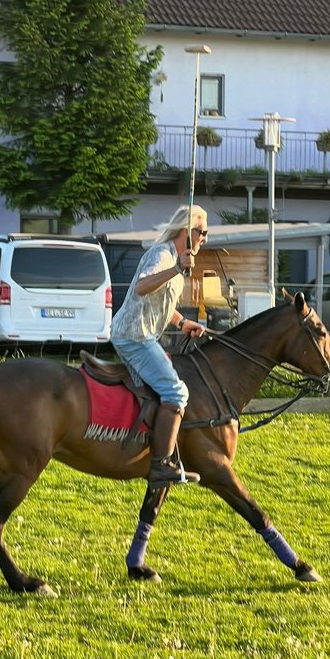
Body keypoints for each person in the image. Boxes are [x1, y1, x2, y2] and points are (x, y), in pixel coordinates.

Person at [110, 204, 209, 488]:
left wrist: (182, 323)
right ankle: (162, 464)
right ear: (185, 231)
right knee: (177, 392)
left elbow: (162, 303)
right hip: (134, 336)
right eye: (201, 232)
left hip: (143, 335)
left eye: (206, 233)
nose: (204, 238)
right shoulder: (162, 254)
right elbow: (142, 287)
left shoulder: (177, 259)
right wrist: (176, 267)